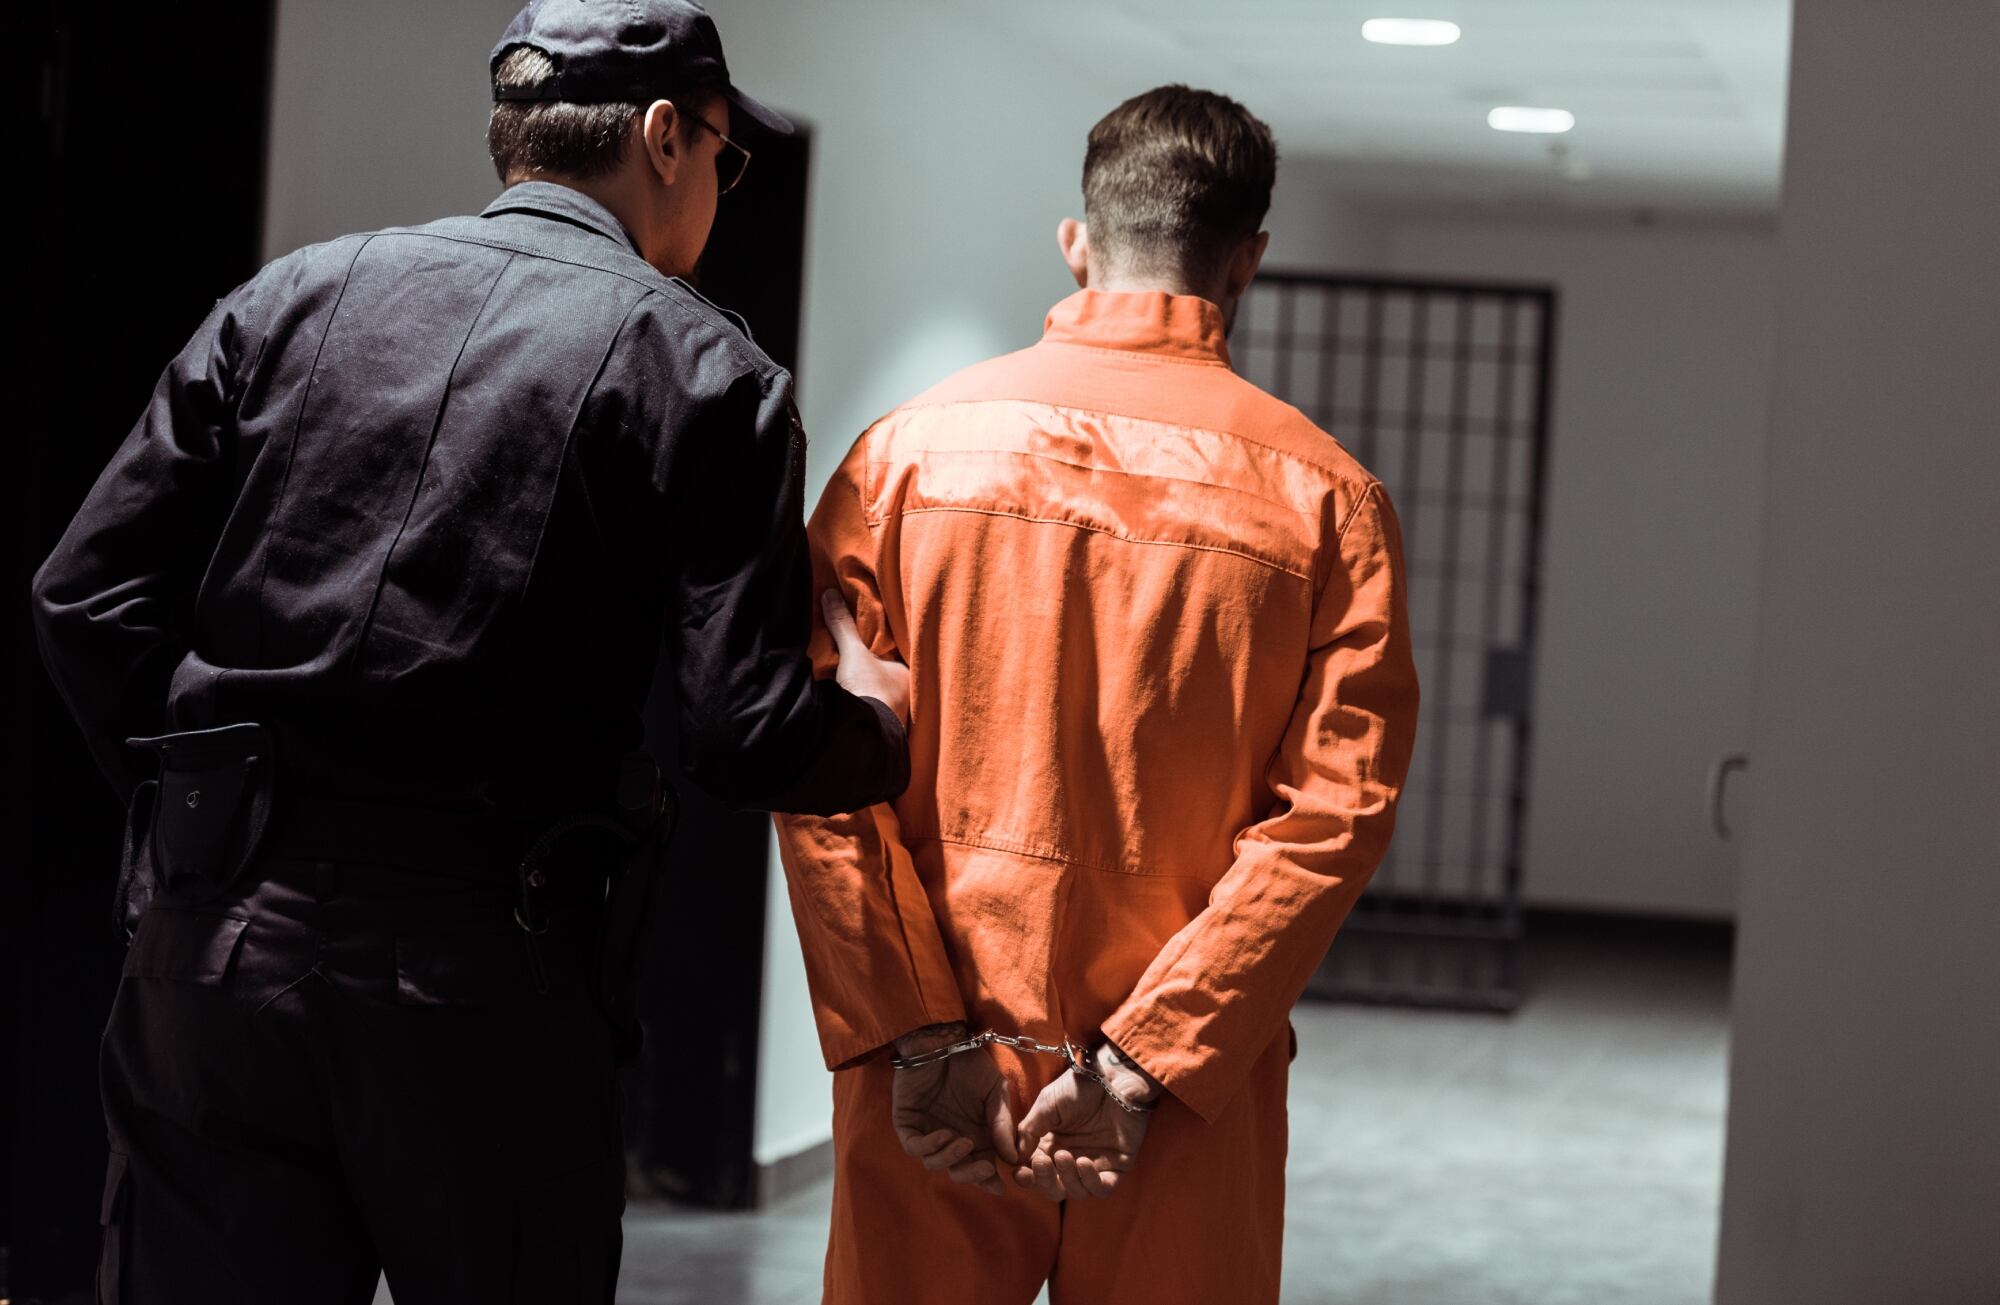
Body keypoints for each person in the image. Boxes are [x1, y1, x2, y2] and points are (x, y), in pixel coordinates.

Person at [29, 2, 911, 1300]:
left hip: (212, 955)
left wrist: (211, 811)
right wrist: (880, 721)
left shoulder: (290, 297)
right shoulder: (708, 372)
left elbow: (83, 597)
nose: (722, 188)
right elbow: (745, 731)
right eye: (726, 156)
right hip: (480, 975)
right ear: (667, 138)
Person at [772, 85, 1421, 1304]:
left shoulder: (903, 457)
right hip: (1177, 1092)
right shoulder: (1328, 504)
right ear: (1247, 263)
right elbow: (1332, 819)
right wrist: (1136, 1067)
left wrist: (914, 1031)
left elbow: (817, 777)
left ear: (1077, 239)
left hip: (939, 1066)